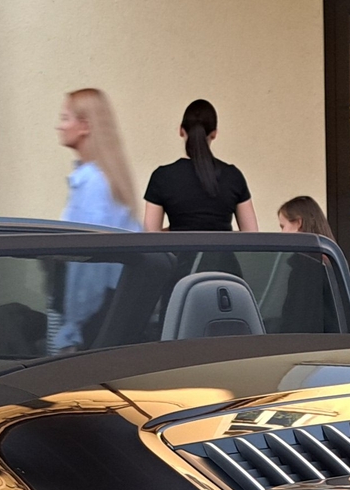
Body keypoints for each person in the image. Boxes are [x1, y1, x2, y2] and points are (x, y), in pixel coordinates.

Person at [52, 88, 138, 351]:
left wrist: (72, 330)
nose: (59, 126)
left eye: (65, 117)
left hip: (92, 325)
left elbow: (88, 266)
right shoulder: (102, 179)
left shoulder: (93, 185)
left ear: (85, 126)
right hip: (109, 317)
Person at [143, 99, 255, 233]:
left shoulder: (161, 177)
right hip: (221, 254)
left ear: (181, 130)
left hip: (179, 254)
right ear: (214, 134)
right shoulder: (233, 175)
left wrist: (175, 231)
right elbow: (251, 233)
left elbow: (150, 237)